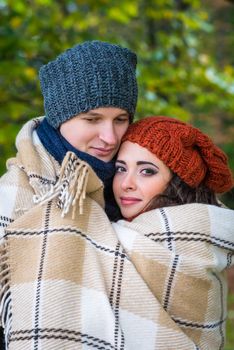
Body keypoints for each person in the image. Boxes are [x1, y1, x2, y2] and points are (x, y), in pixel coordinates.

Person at [0, 40, 138, 349]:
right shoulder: (12, 198)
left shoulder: (140, 186)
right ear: (61, 117)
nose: (109, 137)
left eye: (121, 119)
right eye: (92, 119)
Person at [112, 116, 234, 349]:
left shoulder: (183, 239)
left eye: (147, 171)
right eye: (121, 168)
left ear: (177, 183)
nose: (126, 183)